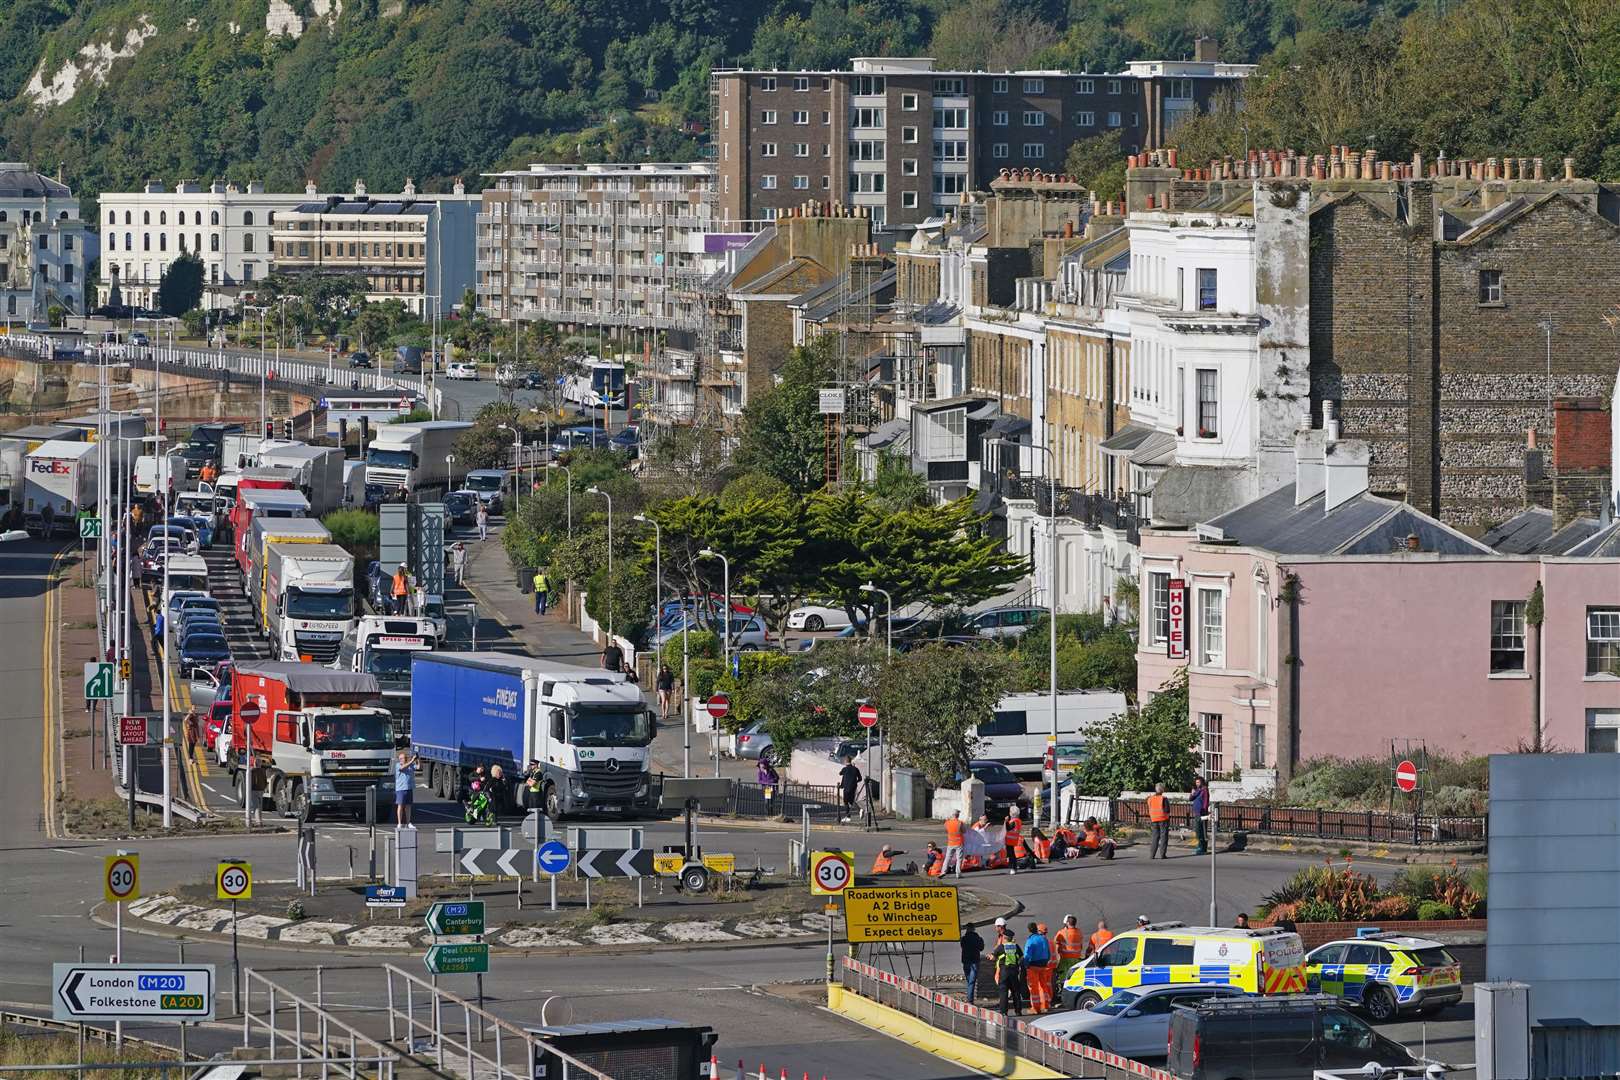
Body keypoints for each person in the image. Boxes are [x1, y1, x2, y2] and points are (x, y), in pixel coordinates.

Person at [993, 927, 1025, 1016]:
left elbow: (994, 956)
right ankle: (1018, 1011)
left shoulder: (1001, 947)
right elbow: (1022, 958)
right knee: (1016, 992)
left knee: (1003, 992)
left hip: (1004, 972)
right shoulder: (1016, 946)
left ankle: (1004, 1012)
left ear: (1004, 937)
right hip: (1014, 972)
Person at [1024, 921, 1054, 1013]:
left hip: (1033, 966)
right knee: (1043, 986)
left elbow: (1027, 955)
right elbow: (1048, 953)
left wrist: (1026, 964)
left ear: (1029, 930)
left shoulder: (1030, 940)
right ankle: (1045, 1005)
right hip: (1043, 965)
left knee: (1034, 987)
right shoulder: (1043, 939)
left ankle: (1036, 1008)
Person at [1054, 915, 1087, 984]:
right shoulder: (1079, 932)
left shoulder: (1062, 932)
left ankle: (1063, 989)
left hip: (1066, 959)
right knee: (1075, 977)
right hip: (1076, 959)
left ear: (1068, 923)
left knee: (1064, 977)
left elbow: (1056, 942)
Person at [960, 924, 985, 1002]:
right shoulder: (977, 938)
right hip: (974, 962)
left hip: (966, 962)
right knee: (971, 982)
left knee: (969, 981)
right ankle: (970, 1001)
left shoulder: (964, 939)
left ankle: (970, 999)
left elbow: (962, 946)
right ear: (974, 929)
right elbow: (981, 948)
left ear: (967, 929)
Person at [394, 750, 418, 826]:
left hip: (409, 788)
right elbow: (402, 768)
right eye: (401, 758)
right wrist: (412, 761)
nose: (402, 759)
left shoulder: (410, 765)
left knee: (408, 806)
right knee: (400, 805)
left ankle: (408, 822)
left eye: (404, 758)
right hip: (401, 788)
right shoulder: (398, 765)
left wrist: (418, 759)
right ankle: (399, 823)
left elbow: (418, 767)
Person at [1147, 782, 1171, 860]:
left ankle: (1152, 855)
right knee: (1163, 837)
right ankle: (1162, 855)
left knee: (1155, 837)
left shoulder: (1150, 799)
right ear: (1162, 790)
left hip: (1153, 819)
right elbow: (1167, 810)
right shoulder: (1163, 798)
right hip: (1163, 819)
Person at [1190, 774, 1210, 855]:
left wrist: (1204, 811)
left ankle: (1202, 848)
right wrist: (1192, 793)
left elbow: (1205, 801)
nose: (1197, 783)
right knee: (1198, 831)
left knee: (1201, 831)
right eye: (1196, 782)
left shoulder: (1204, 790)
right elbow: (1191, 799)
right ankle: (1201, 848)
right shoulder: (1197, 790)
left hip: (1202, 813)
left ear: (1202, 782)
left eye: (1198, 782)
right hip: (1197, 813)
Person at [942, 809, 966, 877]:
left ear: (952, 815)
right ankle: (958, 873)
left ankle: (943, 872)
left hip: (950, 842)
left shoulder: (947, 822)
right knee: (959, 859)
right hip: (959, 842)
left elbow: (946, 830)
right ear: (957, 815)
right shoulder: (960, 823)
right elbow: (964, 831)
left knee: (947, 858)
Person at [838, 756, 862, 823]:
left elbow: (840, 773)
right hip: (853, 788)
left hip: (846, 788)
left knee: (846, 802)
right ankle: (859, 810)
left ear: (845, 761)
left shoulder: (845, 769)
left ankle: (848, 817)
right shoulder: (855, 769)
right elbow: (860, 779)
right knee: (851, 801)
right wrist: (854, 782)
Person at [1004, 805, 1023, 875]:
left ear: (1011, 813)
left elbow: (1008, 828)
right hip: (1014, 839)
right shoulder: (1018, 821)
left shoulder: (1014, 821)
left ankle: (1013, 868)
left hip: (1010, 840)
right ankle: (1014, 867)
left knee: (1011, 855)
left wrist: (1006, 821)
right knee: (1012, 854)